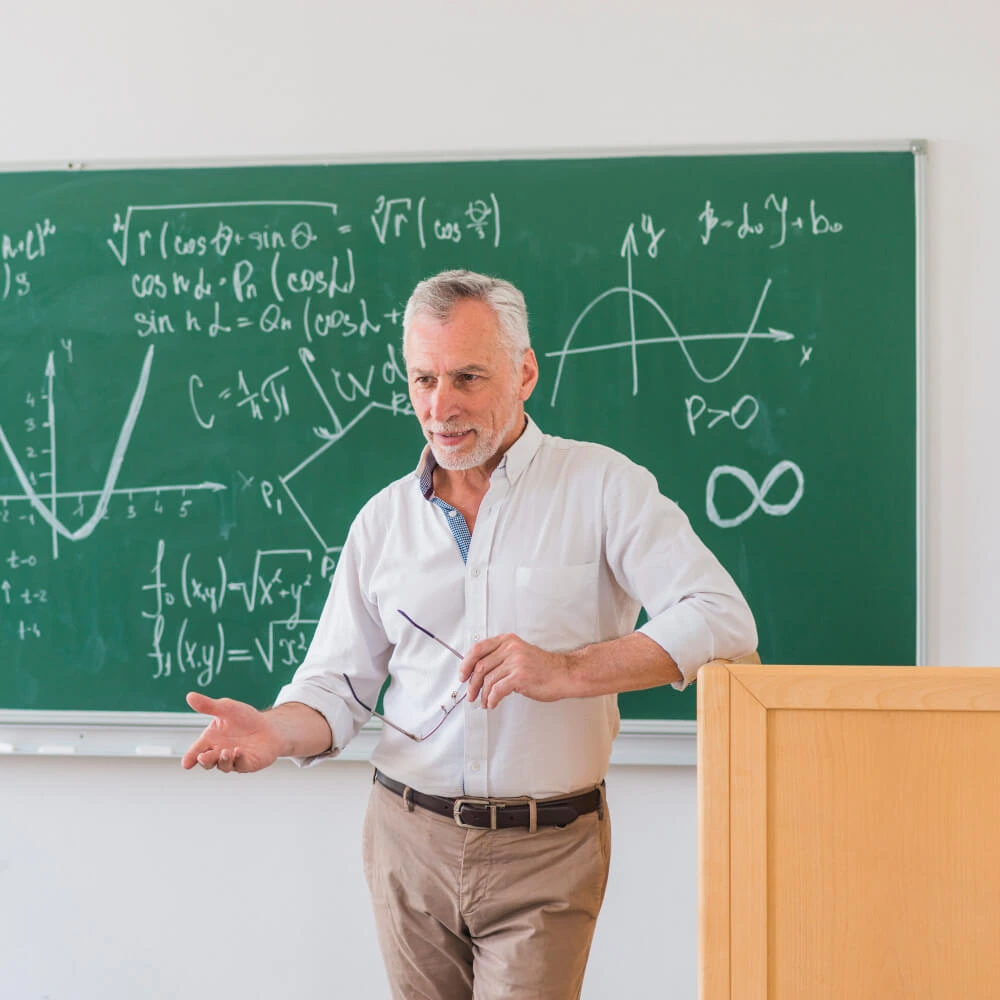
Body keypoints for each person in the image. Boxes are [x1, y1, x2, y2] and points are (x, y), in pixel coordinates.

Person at [182, 269, 757, 999]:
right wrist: (272, 730)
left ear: (524, 373)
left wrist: (569, 669)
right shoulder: (383, 521)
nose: (439, 406)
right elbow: (334, 688)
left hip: (547, 850)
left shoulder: (604, 487)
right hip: (406, 841)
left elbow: (722, 617)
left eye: (466, 378)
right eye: (422, 379)